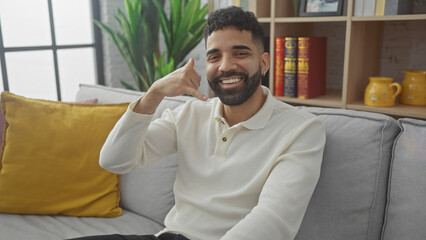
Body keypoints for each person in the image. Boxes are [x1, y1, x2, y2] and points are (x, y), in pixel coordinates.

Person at [72, 6, 326, 240]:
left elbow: (273, 219)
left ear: (264, 63)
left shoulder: (301, 130)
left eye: (240, 53)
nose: (225, 66)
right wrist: (153, 94)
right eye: (214, 57)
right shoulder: (190, 114)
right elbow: (114, 160)